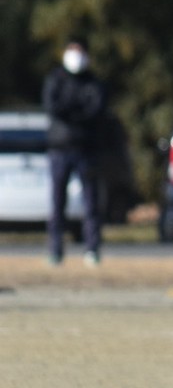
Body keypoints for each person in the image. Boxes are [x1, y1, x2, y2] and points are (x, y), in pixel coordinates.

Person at [42, 31, 108, 266]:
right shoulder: (56, 79)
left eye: (80, 51)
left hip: (86, 149)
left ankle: (92, 249)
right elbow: (53, 107)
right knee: (57, 203)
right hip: (60, 149)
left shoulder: (92, 82)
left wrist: (72, 111)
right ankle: (55, 250)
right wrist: (76, 109)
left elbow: (96, 110)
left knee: (91, 201)